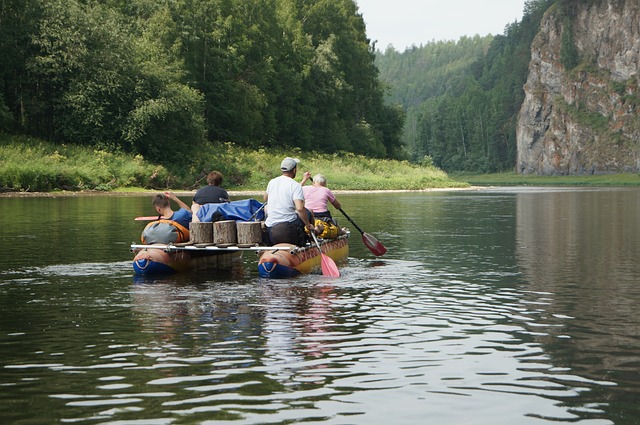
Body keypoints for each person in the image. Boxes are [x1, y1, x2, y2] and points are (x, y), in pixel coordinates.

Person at [263, 157, 315, 246]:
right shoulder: (295, 185)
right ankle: (311, 238)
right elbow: (299, 208)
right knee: (308, 212)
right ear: (294, 170)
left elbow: (265, 198)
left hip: (270, 225)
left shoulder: (272, 182)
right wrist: (307, 224)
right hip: (289, 225)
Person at [300, 172, 345, 237]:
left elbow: (295, 189)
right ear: (324, 183)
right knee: (334, 220)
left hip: (308, 217)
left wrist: (304, 179)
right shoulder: (326, 190)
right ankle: (341, 231)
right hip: (323, 217)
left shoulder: (305, 188)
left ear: (313, 182)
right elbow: (337, 206)